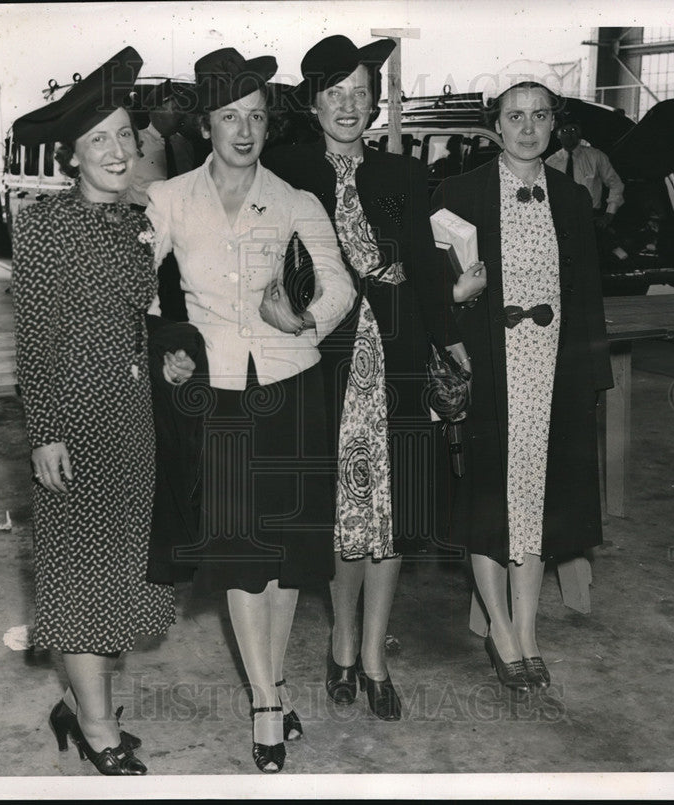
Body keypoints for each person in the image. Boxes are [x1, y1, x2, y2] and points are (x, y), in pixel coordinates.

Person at [143, 48, 354, 773]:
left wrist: (303, 321)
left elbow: (340, 284)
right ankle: (266, 698)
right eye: (230, 117)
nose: (245, 130)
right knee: (240, 548)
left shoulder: (295, 198)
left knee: (288, 551)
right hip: (220, 393)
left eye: (257, 117)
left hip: (290, 386)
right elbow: (136, 290)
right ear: (206, 124)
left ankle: (275, 680)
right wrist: (168, 344)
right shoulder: (167, 199)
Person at [264, 35, 481, 721]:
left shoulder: (403, 175)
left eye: (362, 92)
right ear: (312, 101)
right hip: (322, 356)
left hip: (400, 352)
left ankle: (377, 657)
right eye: (337, 93)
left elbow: (419, 260)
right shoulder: (287, 169)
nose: (350, 106)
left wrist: (450, 340)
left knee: (398, 510)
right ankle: (342, 639)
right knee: (340, 508)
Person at [11, 46, 176, 776]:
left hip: (132, 419)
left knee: (115, 570)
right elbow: (35, 338)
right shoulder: (47, 227)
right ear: (73, 157)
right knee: (79, 574)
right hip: (75, 422)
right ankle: (98, 729)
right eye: (98, 140)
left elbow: (140, 319)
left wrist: (168, 359)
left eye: (124, 135)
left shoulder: (134, 222)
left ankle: (82, 707)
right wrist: (44, 431)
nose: (117, 150)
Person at [431, 61, 612, 692]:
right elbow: (438, 294)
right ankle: (502, 635)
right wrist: (455, 324)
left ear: (555, 126)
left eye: (540, 115)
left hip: (553, 370)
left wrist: (591, 375)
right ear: (494, 127)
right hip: (491, 368)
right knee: (490, 500)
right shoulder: (458, 196)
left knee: (539, 501)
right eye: (515, 115)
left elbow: (587, 295)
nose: (528, 127)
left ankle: (529, 631)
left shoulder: (571, 196)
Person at [545, 114, 624, 230]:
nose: (569, 134)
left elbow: (616, 184)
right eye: (564, 130)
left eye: (573, 129)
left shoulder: (596, 157)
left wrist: (609, 213)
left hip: (590, 220)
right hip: (560, 222)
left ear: (579, 133)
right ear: (558, 134)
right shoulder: (551, 163)